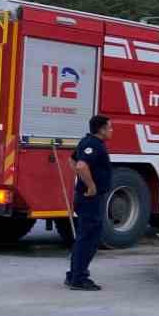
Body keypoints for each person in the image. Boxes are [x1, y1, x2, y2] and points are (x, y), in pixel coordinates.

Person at [65, 114, 113, 292]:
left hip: (87, 198)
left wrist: (82, 179)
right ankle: (79, 278)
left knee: (84, 237)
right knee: (89, 238)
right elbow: (80, 165)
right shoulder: (93, 144)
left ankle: (73, 275)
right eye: (110, 127)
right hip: (90, 198)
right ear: (101, 129)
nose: (111, 130)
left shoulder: (87, 142)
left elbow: (72, 160)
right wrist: (90, 185)